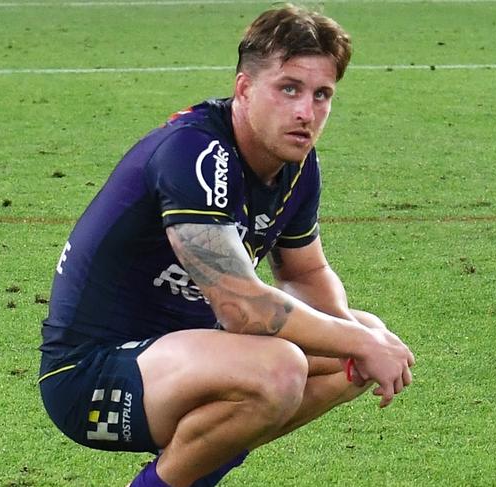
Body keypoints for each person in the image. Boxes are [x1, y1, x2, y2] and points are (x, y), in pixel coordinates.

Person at [38, 4, 415, 487]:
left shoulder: (296, 164)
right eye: (289, 89)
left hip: (187, 358)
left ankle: (190, 472)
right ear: (243, 89)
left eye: (323, 95)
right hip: (92, 378)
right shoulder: (194, 152)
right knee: (282, 368)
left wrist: (361, 341)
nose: (307, 112)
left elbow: (305, 275)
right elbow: (241, 308)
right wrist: (361, 343)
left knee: (356, 340)